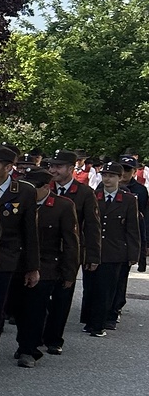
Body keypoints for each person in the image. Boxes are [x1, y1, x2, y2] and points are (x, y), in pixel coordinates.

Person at [0, 144, 39, 378]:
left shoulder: (24, 191)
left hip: (5, 259)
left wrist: (32, 267)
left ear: (9, 167)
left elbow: (30, 232)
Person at [14, 169, 78, 367]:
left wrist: (69, 273)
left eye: (33, 187)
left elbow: (70, 242)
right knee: (18, 309)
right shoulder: (18, 202)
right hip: (18, 264)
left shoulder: (62, 206)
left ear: (45, 187)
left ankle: (28, 349)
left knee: (35, 310)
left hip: (47, 266)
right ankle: (23, 343)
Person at [46, 149, 101, 353]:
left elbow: (92, 226)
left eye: (58, 166)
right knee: (39, 295)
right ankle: (36, 335)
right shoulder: (44, 188)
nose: (53, 170)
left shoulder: (84, 193)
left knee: (62, 296)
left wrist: (92, 255)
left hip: (69, 252)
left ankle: (54, 339)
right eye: (51, 166)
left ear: (71, 168)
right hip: (45, 249)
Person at [84, 163, 142, 335]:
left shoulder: (128, 199)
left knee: (106, 288)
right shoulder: (93, 196)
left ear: (119, 178)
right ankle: (89, 320)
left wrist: (133, 254)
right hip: (93, 248)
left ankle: (100, 323)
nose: (107, 179)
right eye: (104, 175)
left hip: (115, 250)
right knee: (90, 286)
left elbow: (132, 228)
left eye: (111, 176)